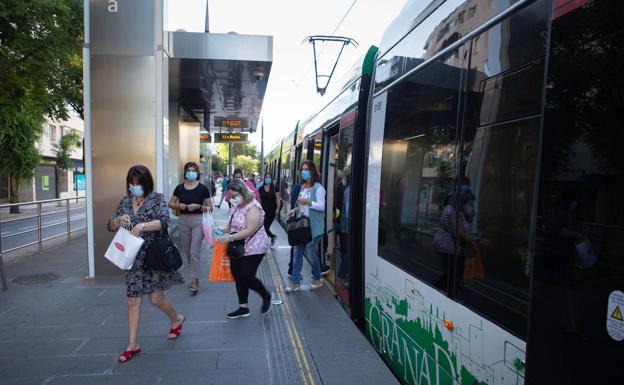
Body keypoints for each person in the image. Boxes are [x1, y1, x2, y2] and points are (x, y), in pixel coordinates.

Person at [107, 165, 185, 363]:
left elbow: (165, 221)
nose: (135, 188)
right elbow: (110, 225)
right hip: (132, 256)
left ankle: (176, 319)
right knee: (133, 299)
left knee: (156, 299)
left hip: (153, 255)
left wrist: (141, 226)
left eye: (138, 184)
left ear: (146, 183)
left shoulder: (157, 199)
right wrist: (118, 221)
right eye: (131, 184)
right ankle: (133, 344)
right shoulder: (124, 201)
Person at [215, 179, 272, 318]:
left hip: (254, 246)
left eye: (234, 196)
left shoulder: (253, 208)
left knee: (246, 275)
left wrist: (228, 238)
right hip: (237, 245)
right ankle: (243, 307)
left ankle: (265, 295)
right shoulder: (235, 206)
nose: (232, 199)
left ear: (243, 192)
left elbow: (250, 230)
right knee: (237, 275)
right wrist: (221, 230)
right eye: (230, 196)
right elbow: (230, 225)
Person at [168, 162, 213, 294]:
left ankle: (194, 279)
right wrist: (178, 206)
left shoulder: (203, 188)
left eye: (193, 171)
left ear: (197, 173)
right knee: (187, 251)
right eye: (188, 170)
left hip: (198, 220)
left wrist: (198, 206)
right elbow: (170, 203)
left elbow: (210, 208)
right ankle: (194, 276)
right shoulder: (179, 188)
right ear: (185, 172)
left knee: (194, 251)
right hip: (183, 220)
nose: (191, 173)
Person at [286, 160, 326, 292]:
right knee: (297, 253)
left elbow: (321, 207)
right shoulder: (303, 188)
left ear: (313, 171)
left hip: (314, 227)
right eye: (302, 169)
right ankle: (295, 282)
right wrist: (294, 210)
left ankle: (317, 278)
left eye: (306, 169)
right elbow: (301, 205)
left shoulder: (319, 188)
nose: (304, 171)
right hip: (302, 226)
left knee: (310, 253)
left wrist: (309, 202)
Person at [432, 191, 475, 292]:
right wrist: (476, 239)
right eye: (469, 204)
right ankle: (438, 291)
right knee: (452, 273)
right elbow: (458, 232)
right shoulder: (451, 210)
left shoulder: (459, 211)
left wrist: (471, 213)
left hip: (454, 247)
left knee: (453, 273)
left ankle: (445, 291)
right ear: (463, 202)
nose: (471, 206)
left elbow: (467, 222)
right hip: (447, 246)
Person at [259, 172, 280, 245]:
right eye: (266, 177)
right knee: (264, 227)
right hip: (263, 211)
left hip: (272, 211)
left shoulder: (275, 188)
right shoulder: (261, 188)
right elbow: (259, 200)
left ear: (271, 179)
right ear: (264, 179)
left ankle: (266, 242)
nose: (268, 179)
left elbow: (278, 199)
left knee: (266, 226)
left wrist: (277, 209)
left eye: (269, 177)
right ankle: (271, 237)